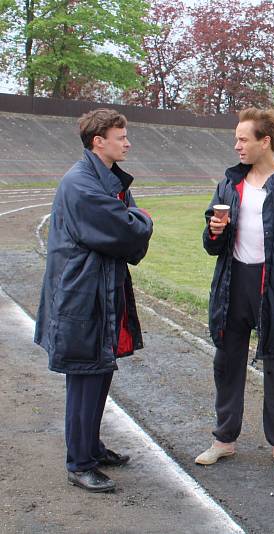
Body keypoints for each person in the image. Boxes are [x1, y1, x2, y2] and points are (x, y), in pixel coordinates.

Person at [196, 108, 274, 471]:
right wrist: (214, 232)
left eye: (243, 139)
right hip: (234, 283)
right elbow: (211, 244)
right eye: (236, 139)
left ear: (264, 141)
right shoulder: (229, 185)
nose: (236, 145)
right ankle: (224, 439)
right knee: (226, 362)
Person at [34, 108, 154, 493]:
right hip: (81, 295)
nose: (128, 142)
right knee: (85, 376)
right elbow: (126, 230)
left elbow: (126, 225)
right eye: (122, 137)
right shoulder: (81, 184)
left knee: (99, 371)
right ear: (98, 141)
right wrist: (142, 220)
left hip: (99, 288)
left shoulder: (107, 179)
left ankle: (91, 446)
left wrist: (134, 219)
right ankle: (79, 462)